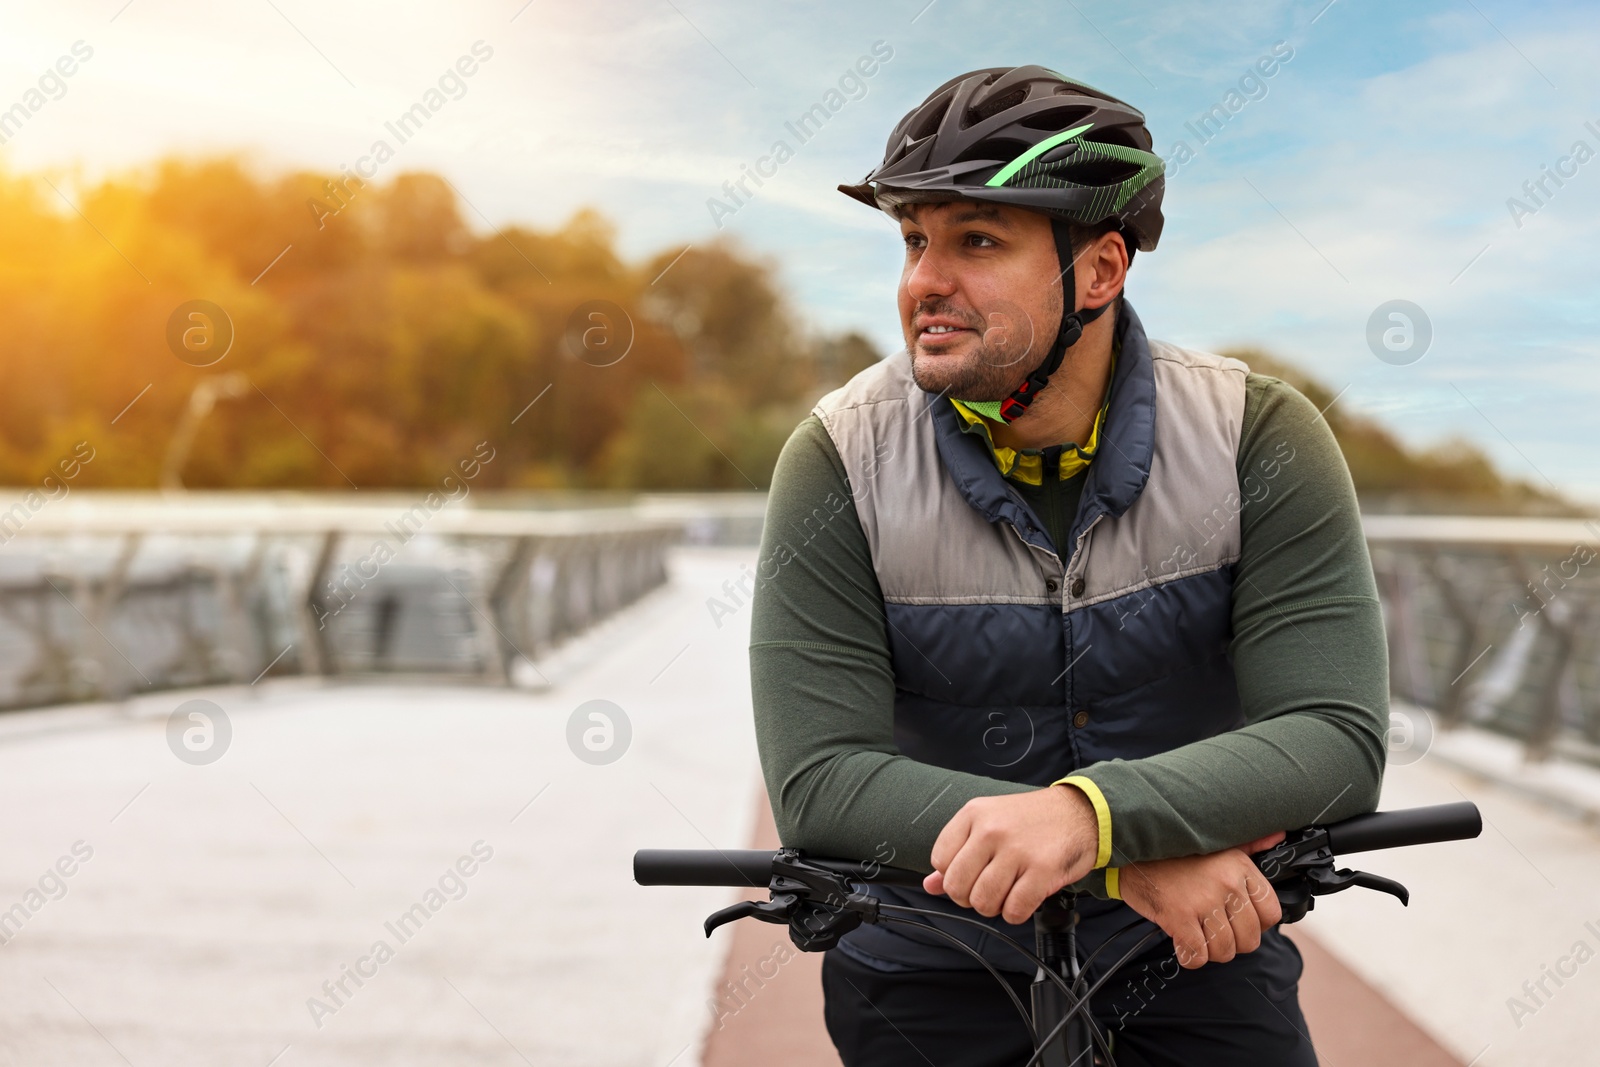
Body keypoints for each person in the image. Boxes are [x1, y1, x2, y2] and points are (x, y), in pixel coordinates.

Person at [749, 65, 1389, 1066]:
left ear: (1099, 270)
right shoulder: (838, 457)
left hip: (1193, 948)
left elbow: (1334, 736)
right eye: (916, 238)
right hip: (928, 951)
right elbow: (821, 779)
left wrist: (1092, 818)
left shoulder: (1255, 435)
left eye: (977, 240)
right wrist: (1118, 860)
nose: (925, 279)